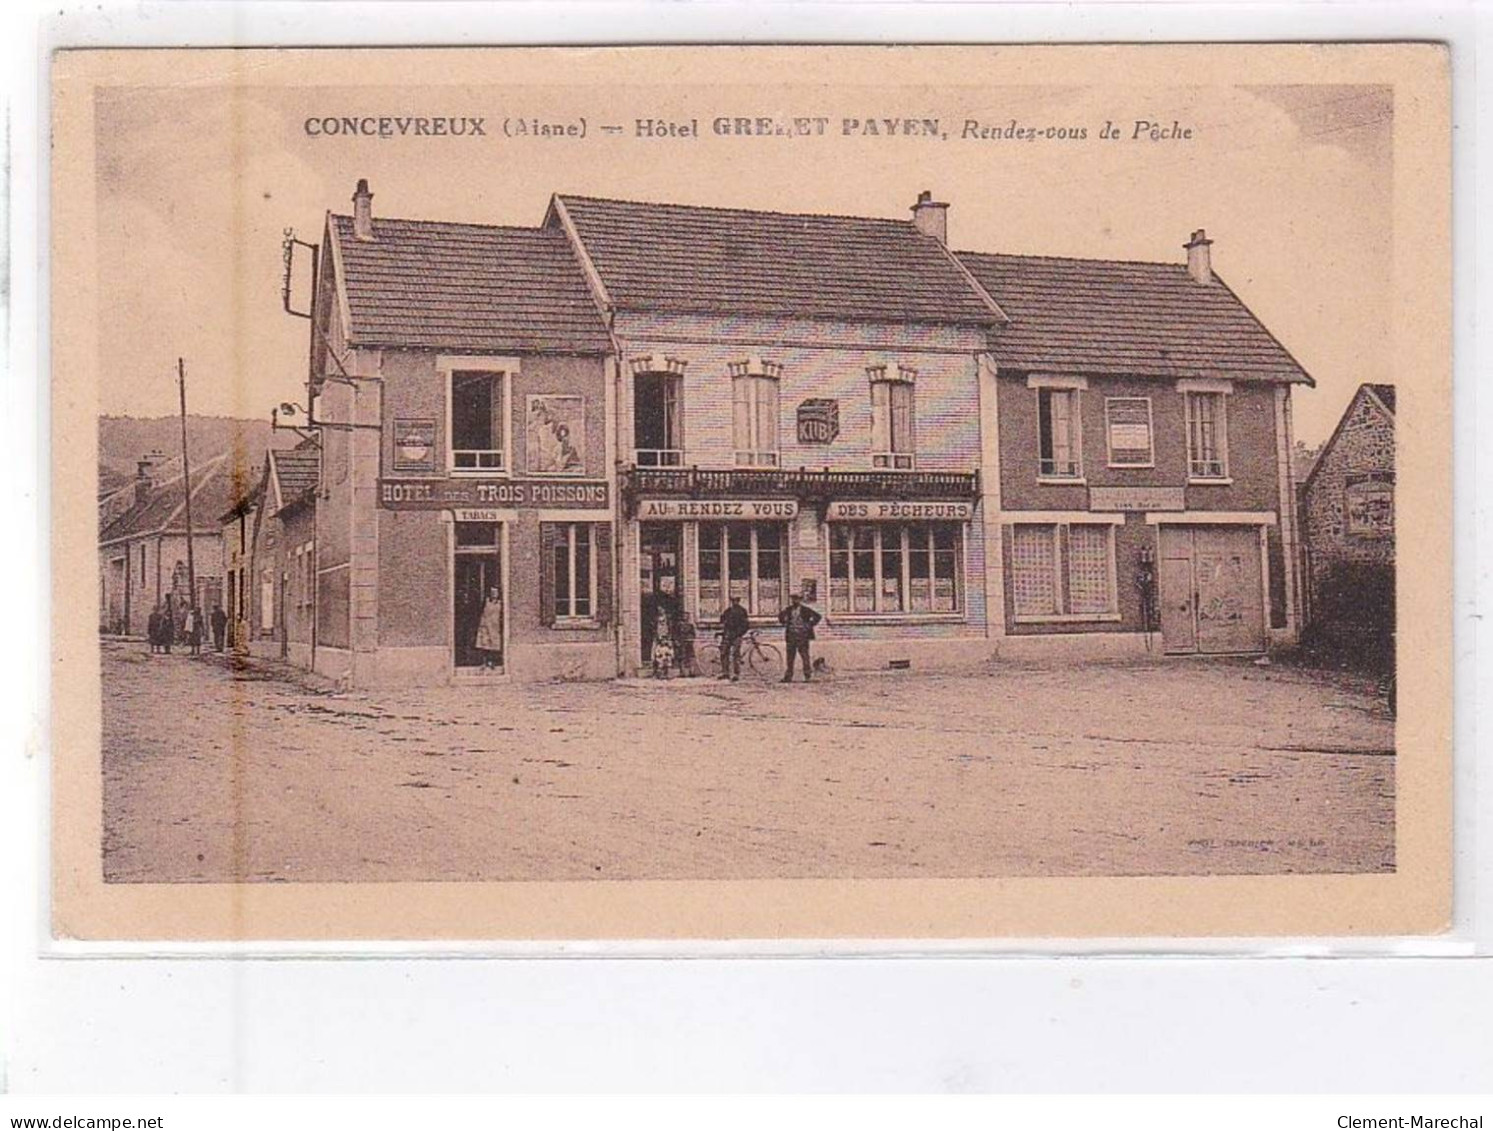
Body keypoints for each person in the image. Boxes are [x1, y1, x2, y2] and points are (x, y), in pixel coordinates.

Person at [777, 591, 821, 683]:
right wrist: (784, 622)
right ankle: (788, 676)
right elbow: (780, 616)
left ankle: (807, 676)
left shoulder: (806, 610)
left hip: (802, 636)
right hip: (791, 636)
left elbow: (818, 616)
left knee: (805, 656)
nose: (795, 601)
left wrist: (809, 625)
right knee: (790, 658)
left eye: (797, 599)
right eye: (793, 599)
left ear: (800, 600)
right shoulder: (788, 610)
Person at [718, 595, 750, 681]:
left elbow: (746, 625)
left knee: (736, 654)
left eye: (736, 601)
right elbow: (722, 620)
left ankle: (736, 674)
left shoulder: (742, 611)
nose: (734, 602)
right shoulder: (728, 611)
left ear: (738, 601)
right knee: (724, 653)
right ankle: (725, 672)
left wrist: (739, 634)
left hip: (736, 635)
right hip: (727, 635)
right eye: (733, 601)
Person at [476, 587, 504, 669]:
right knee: (484, 644)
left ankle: (492, 662)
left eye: (495, 593)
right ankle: (484, 662)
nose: (494, 594)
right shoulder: (486, 602)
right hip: (485, 626)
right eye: (492, 592)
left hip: (495, 626)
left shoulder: (500, 603)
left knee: (494, 645)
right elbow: (482, 613)